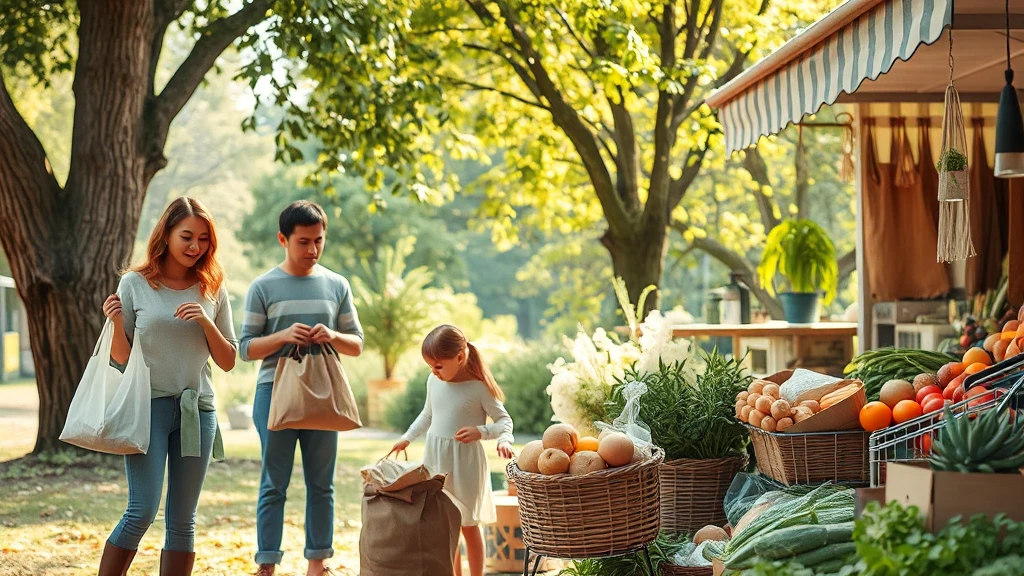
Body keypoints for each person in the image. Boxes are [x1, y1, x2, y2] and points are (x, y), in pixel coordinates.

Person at [98, 197, 238, 576]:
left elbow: (228, 361)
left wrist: (205, 322)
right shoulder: (135, 284)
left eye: (204, 239)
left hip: (198, 410)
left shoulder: (212, 287)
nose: (196, 247)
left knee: (182, 520)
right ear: (167, 234)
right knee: (141, 510)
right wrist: (114, 324)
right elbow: (121, 360)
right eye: (187, 236)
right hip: (148, 409)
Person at [239, 200, 364, 576]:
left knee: (321, 484)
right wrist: (282, 336)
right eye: (303, 242)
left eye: (319, 241)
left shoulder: (337, 284)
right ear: (283, 239)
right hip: (274, 394)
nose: (312, 250)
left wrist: (331, 334)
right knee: (273, 484)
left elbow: (356, 343)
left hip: (324, 395)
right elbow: (244, 347)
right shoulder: (262, 286)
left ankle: (317, 563)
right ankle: (266, 564)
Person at [390, 325, 515, 576]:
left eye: (438, 366)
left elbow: (504, 421)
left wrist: (484, 433)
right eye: (430, 367)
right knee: (445, 526)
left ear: (459, 357)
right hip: (436, 460)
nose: (434, 372)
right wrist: (406, 438)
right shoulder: (433, 382)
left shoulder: (478, 388)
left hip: (465, 464)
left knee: (468, 526)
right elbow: (427, 414)